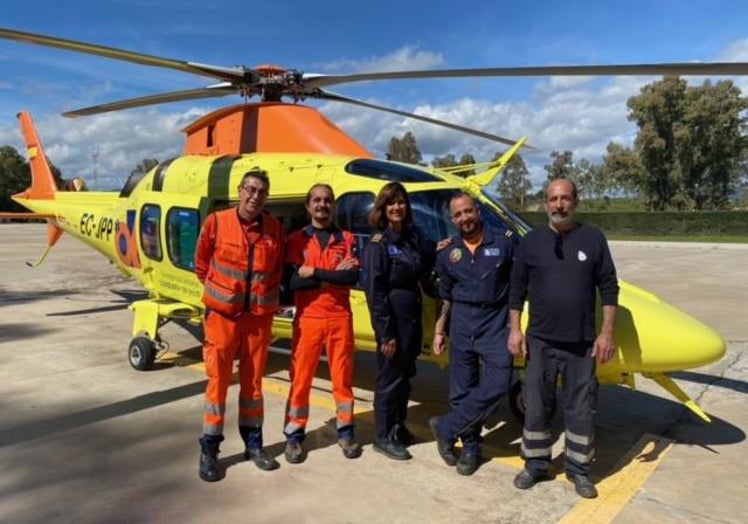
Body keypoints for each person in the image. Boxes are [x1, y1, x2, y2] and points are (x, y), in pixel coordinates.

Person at [508, 178, 618, 499]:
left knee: (581, 409)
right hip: (540, 341)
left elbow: (609, 288)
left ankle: (579, 469)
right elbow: (516, 291)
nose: (559, 204)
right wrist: (515, 329)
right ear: (546, 204)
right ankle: (536, 465)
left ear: (576, 202)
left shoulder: (593, 239)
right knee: (536, 406)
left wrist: (606, 333)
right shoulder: (531, 242)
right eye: (553, 199)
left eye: (565, 198)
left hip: (581, 344)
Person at [194, 169, 285, 482]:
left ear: (266, 197)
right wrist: (223, 296)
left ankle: (254, 444)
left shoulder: (274, 228)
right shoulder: (217, 222)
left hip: (258, 319)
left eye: (261, 192)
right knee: (217, 383)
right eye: (250, 189)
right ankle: (209, 450)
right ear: (239, 190)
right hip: (223, 317)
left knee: (254, 386)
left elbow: (275, 271)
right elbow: (201, 264)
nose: (254, 196)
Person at [429, 192, 515, 476]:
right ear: (452, 219)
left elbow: (518, 286)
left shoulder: (503, 242)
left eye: (468, 211)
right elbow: (445, 296)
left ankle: (447, 427)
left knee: (500, 382)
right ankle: (471, 447)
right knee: (462, 390)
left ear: (477, 211)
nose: (464, 218)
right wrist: (440, 330)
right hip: (462, 323)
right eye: (458, 214)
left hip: (494, 322)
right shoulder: (447, 252)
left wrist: (516, 326)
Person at [282, 183, 362, 463]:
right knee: (301, 378)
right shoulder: (296, 240)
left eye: (327, 200)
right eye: (316, 200)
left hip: (340, 317)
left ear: (333, 205)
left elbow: (351, 278)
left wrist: (313, 272)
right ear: (308, 206)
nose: (322, 205)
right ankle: (294, 436)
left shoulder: (347, 238)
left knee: (343, 378)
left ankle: (346, 429)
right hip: (309, 318)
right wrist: (331, 274)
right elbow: (293, 283)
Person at [364, 182, 435, 461]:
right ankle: (382, 436)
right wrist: (386, 333)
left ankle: (398, 426)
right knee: (389, 379)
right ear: (382, 209)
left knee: (404, 378)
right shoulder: (378, 244)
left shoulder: (411, 239)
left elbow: (427, 256)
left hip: (411, 317)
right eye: (391, 203)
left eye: (401, 202)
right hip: (392, 319)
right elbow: (375, 292)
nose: (397, 207)